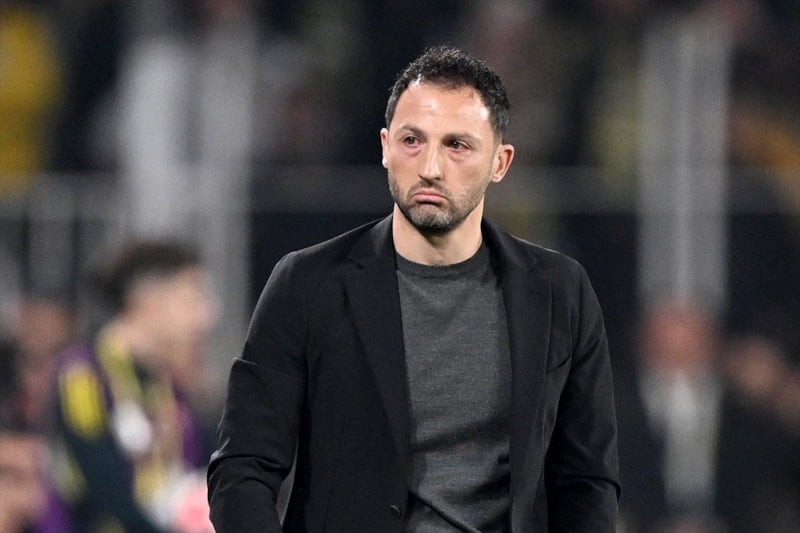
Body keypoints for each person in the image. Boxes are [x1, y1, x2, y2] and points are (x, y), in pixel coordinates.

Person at [207, 45, 620, 532]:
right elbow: (242, 469)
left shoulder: (559, 292)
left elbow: (587, 482)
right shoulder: (307, 284)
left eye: (457, 145)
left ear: (500, 162)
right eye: (412, 141)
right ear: (385, 147)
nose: (430, 167)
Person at [50, 240, 217, 532]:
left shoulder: (169, 386)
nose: (207, 316)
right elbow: (104, 487)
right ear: (148, 301)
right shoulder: (82, 376)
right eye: (192, 300)